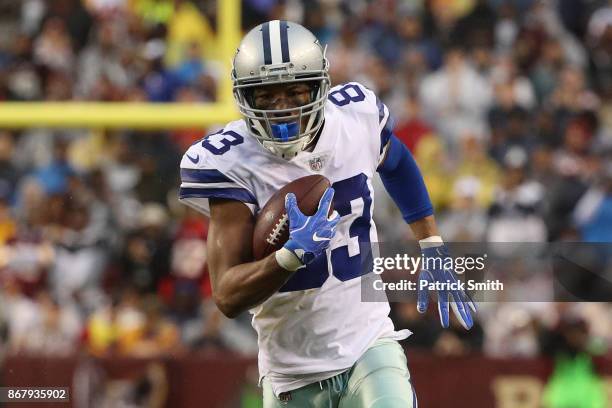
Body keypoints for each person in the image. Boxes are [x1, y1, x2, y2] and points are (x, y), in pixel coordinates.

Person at [178, 20, 475, 408]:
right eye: (266, 96)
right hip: (292, 370)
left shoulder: (355, 118)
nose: (282, 109)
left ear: (320, 87)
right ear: (244, 98)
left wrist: (431, 243)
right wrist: (289, 257)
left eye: (295, 91)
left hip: (368, 342)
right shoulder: (230, 161)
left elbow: (398, 162)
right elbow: (227, 294)